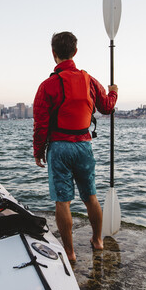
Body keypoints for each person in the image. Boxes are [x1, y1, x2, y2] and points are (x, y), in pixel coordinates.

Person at [33, 31, 118, 261]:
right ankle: (98, 241)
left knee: (63, 201)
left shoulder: (46, 86)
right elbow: (107, 107)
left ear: (54, 54)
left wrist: (38, 151)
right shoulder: (89, 80)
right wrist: (113, 92)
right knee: (90, 196)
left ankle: (70, 253)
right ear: (75, 52)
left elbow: (41, 124)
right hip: (83, 146)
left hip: (59, 148)